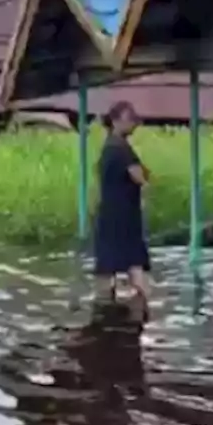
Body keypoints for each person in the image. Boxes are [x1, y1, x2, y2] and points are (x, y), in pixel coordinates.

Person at [93, 101, 151, 305]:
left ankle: (104, 311)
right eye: (130, 117)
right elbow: (140, 177)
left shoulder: (108, 146)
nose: (135, 122)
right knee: (135, 264)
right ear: (116, 121)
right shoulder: (122, 150)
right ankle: (144, 304)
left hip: (108, 214)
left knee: (106, 268)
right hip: (125, 217)